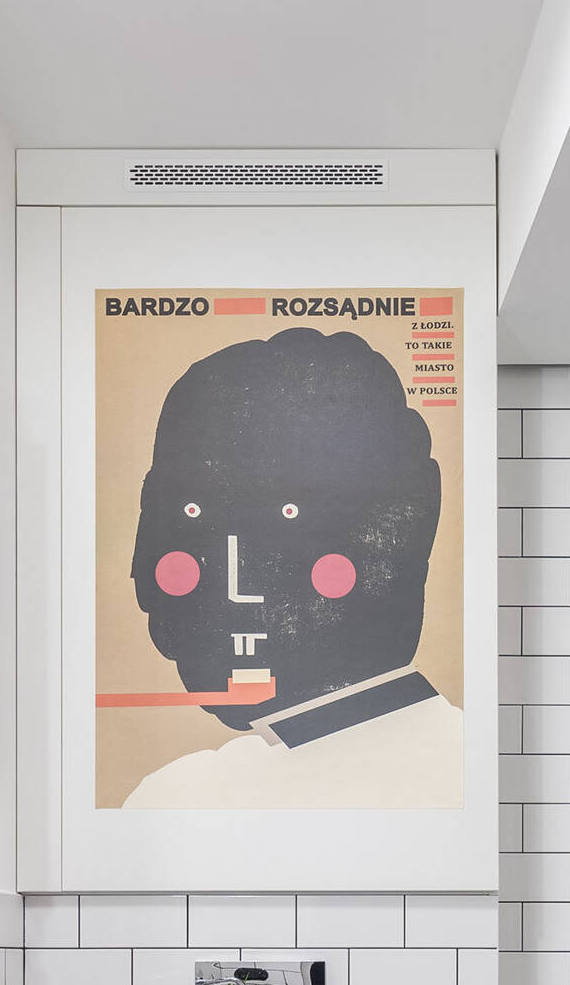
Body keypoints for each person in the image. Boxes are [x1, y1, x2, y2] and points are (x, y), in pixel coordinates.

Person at [118, 326, 462, 810]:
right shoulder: (187, 793)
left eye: (287, 517)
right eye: (191, 517)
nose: (238, 590)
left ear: (404, 531)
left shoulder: (186, 799)